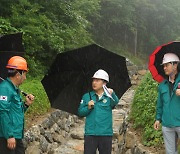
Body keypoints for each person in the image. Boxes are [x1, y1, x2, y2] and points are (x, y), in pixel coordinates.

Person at [78, 69, 119, 154]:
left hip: (105, 134)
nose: (94, 83)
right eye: (93, 80)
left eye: (97, 80)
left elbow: (115, 103)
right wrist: (88, 107)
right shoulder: (87, 96)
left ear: (104, 83)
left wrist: (112, 94)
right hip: (90, 134)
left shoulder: (109, 97)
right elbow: (80, 113)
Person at [0, 56, 34, 154]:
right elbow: (2, 113)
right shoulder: (4, 89)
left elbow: (16, 112)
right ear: (18, 74)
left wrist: (26, 104)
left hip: (16, 136)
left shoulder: (14, 89)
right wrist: (9, 136)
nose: (25, 77)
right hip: (7, 137)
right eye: (25, 74)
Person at [154, 53, 180, 154]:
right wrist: (158, 119)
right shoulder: (163, 85)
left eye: (167, 65)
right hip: (167, 124)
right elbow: (160, 104)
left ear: (175, 65)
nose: (164, 68)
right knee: (170, 152)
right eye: (163, 66)